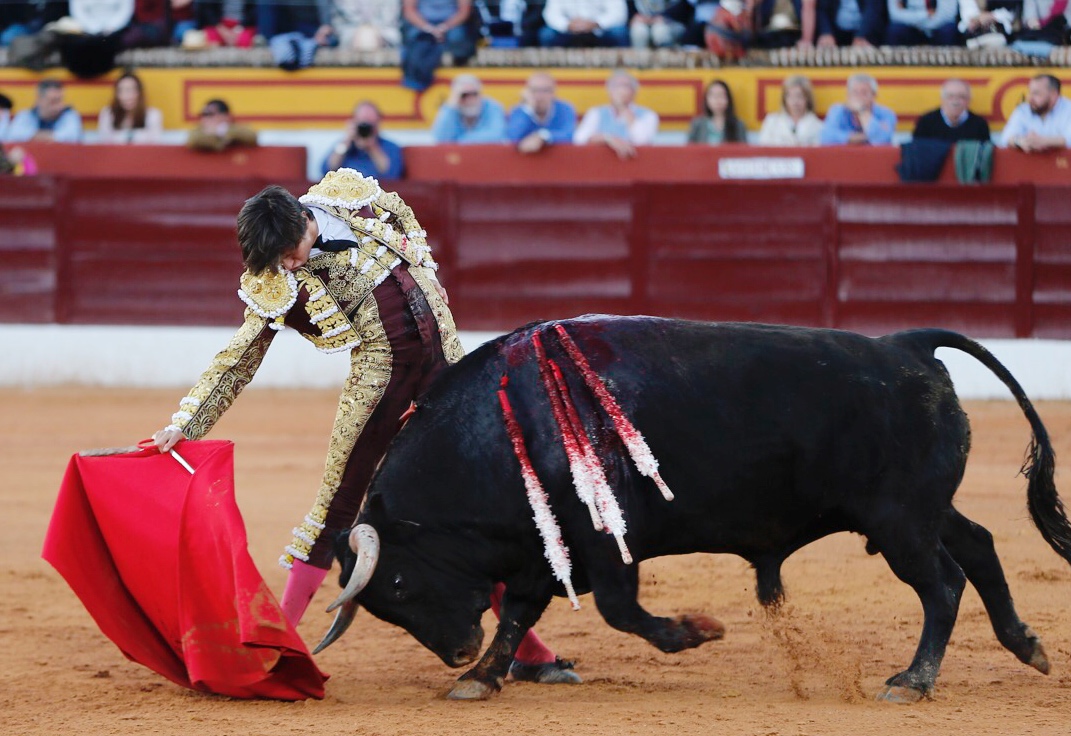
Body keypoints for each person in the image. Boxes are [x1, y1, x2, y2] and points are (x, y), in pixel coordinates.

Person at [150, 169, 581, 685]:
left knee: (471, 507)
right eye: (281, 260)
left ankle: (527, 652)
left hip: (449, 371)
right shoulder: (277, 276)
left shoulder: (350, 198)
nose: (291, 264)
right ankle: (272, 646)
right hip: (381, 386)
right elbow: (241, 356)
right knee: (338, 503)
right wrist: (187, 422)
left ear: (305, 219)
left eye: (292, 250)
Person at [573, 70, 659, 159]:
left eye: (625, 86)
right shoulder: (596, 112)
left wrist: (623, 107)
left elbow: (642, 140)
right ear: (609, 91)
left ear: (634, 91)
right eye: (615, 86)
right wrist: (609, 139)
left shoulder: (648, 115)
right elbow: (579, 139)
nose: (620, 90)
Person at [400, 0, 479, 92]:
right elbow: (409, 11)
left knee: (459, 40)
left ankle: (461, 76)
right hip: (421, 24)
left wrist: (444, 27)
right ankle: (414, 81)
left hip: (452, 24)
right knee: (417, 41)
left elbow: (464, 11)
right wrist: (428, 29)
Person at [322, 101, 405, 179]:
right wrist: (346, 141)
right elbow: (327, 170)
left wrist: (372, 147)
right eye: (362, 122)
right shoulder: (344, 145)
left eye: (369, 123)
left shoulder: (390, 147)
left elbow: (393, 175)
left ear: (378, 123)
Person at [506, 71, 577, 154]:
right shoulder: (519, 111)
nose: (539, 96)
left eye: (545, 90)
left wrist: (542, 136)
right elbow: (511, 138)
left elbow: (569, 135)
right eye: (534, 90)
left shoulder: (565, 109)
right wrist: (528, 109)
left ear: (554, 93)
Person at [819, 73, 897, 146]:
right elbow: (825, 137)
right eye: (855, 92)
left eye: (864, 93)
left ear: (874, 96)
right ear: (848, 96)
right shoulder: (837, 111)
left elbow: (882, 140)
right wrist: (865, 137)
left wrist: (862, 111)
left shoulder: (887, 114)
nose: (859, 97)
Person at [256, 0, 336, 70]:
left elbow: (330, 20)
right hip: (281, 35)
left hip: (311, 33)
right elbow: (267, 28)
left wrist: (324, 27)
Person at [1001, 74, 1071, 152]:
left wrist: (1043, 141)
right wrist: (1021, 141)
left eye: (1036, 93)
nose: (1029, 98)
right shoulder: (1023, 110)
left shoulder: (1068, 109)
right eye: (1030, 92)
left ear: (1053, 95)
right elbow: (1006, 137)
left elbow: (1069, 139)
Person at [431, 74, 508, 143]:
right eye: (464, 95)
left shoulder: (492, 107)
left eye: (474, 94)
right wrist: (451, 106)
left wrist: (459, 141)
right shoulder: (451, 109)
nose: (470, 99)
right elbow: (441, 138)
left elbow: (496, 135)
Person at [912, 79, 991, 143]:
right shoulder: (926, 122)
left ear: (968, 100)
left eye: (961, 97)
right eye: (950, 96)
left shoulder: (980, 125)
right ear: (942, 99)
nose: (955, 101)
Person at [5, 79, 83, 143]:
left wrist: (33, 136)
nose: (59, 106)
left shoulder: (70, 115)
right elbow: (13, 136)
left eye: (61, 100)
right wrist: (52, 138)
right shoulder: (25, 115)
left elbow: (71, 137)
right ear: (39, 99)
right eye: (53, 101)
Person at [96, 72, 164, 144]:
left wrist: (123, 136)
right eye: (121, 91)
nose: (126, 96)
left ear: (139, 93)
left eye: (131, 90)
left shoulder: (153, 114)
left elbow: (155, 142)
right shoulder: (108, 114)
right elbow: (104, 142)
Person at [757, 74, 823, 145]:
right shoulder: (771, 122)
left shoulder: (818, 126)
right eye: (790, 96)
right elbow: (763, 148)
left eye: (799, 96)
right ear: (784, 99)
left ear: (807, 98)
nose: (795, 101)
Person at [538, 0, 630, 46]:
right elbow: (551, 13)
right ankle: (552, 73)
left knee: (619, 32)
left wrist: (596, 23)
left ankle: (622, 72)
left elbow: (618, 12)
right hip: (569, 32)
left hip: (600, 31)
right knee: (547, 34)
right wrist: (568, 25)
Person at [687, 79, 749, 145]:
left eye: (721, 95)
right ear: (706, 99)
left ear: (728, 99)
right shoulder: (697, 124)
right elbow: (689, 150)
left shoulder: (738, 125)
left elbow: (743, 151)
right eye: (713, 96)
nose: (717, 100)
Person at [800, 0, 885, 47]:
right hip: (836, 32)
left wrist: (861, 35)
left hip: (865, 31)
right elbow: (821, 7)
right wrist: (826, 32)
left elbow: (873, 8)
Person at [187, 98, 258, 151]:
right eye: (203, 115)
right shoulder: (198, 131)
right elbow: (193, 140)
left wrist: (221, 130)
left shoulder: (236, 129)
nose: (205, 118)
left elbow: (252, 136)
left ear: (225, 116)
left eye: (209, 114)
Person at [332, 0, 401, 50]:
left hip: (384, 30)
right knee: (365, 37)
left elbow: (388, 17)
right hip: (351, 30)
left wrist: (373, 30)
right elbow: (346, 15)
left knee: (368, 38)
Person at [884, 0, 959, 45]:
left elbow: (947, 15)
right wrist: (925, 15)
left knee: (949, 30)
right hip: (911, 28)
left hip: (938, 27)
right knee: (894, 31)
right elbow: (895, 15)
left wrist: (909, 16)